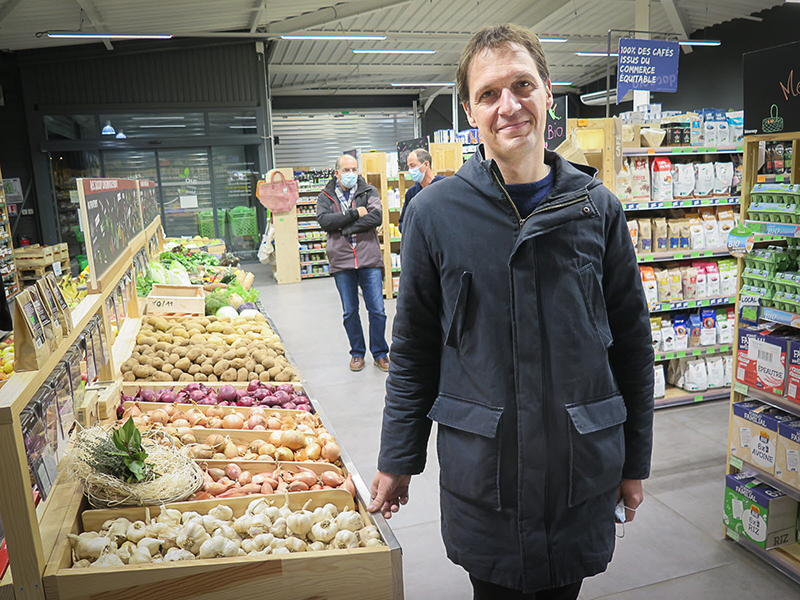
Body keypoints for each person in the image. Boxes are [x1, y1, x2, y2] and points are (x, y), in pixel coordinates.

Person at [368, 23, 654, 600]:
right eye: (489, 94)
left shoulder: (598, 210)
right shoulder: (435, 214)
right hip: (486, 472)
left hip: (579, 467)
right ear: (472, 113)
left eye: (522, 85)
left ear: (548, 93)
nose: (509, 106)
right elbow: (416, 346)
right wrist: (398, 456)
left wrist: (634, 460)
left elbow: (632, 344)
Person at [316, 154, 390, 372]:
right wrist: (355, 213)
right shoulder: (325, 196)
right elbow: (325, 222)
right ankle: (357, 353)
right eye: (346, 170)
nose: (351, 174)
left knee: (378, 310)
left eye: (354, 169)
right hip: (342, 261)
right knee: (350, 311)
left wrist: (346, 228)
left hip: (369, 259)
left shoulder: (368, 191)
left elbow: (376, 217)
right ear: (336, 172)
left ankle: (380, 353)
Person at [398, 148, 445, 233]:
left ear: (426, 164)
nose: (410, 170)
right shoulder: (411, 193)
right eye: (408, 167)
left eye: (413, 166)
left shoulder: (444, 186)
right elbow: (403, 224)